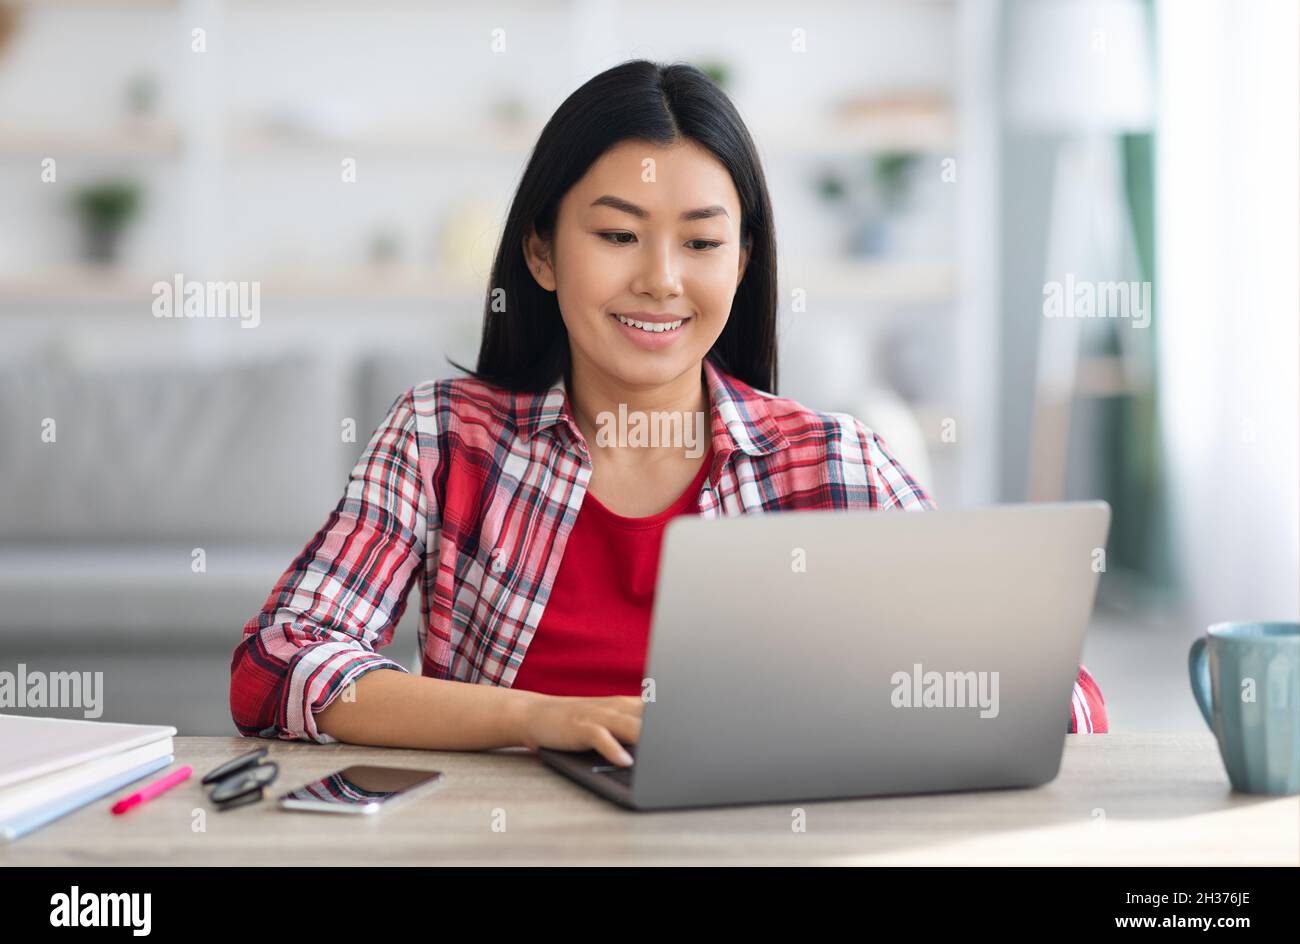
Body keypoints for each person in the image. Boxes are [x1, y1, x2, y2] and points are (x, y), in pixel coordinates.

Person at [230, 60, 1107, 769]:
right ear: (541, 250)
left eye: (700, 241)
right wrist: (540, 718)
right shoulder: (443, 438)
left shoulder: (833, 462)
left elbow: (1056, 699)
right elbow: (277, 664)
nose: (661, 278)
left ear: (742, 260)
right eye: (617, 236)